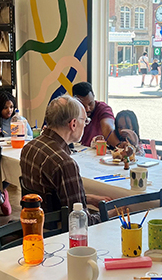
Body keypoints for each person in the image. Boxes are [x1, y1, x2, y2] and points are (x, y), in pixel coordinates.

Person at [20, 95, 111, 225]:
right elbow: (79, 222)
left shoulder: (29, 147)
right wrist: (113, 213)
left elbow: (53, 198)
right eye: (85, 121)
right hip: (57, 231)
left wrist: (88, 198)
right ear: (73, 124)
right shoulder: (64, 163)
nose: (85, 125)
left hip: (34, 222)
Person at [72, 82, 121, 148]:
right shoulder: (71, 111)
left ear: (94, 97)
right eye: (82, 105)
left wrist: (119, 146)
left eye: (90, 104)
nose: (87, 109)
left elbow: (108, 128)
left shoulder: (103, 108)